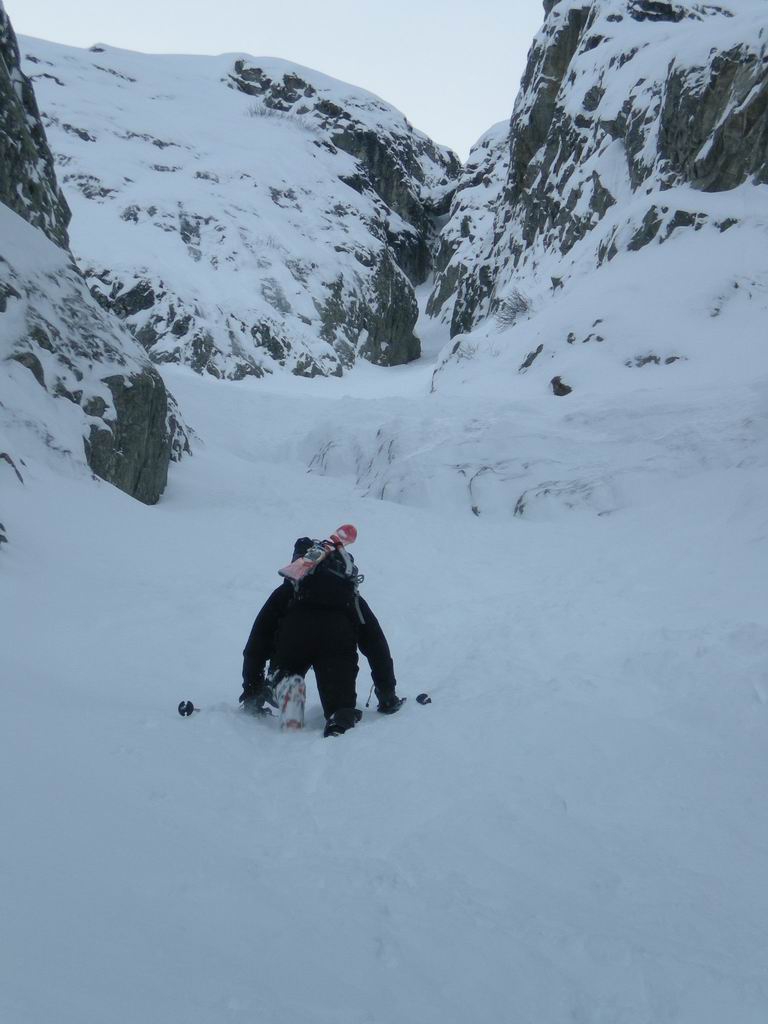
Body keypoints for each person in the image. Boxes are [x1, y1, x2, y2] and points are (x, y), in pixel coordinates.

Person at [239, 536, 402, 736]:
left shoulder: (288, 591)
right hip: (337, 639)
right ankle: (339, 719)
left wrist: (252, 690)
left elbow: (259, 640)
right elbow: (376, 644)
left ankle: (288, 685)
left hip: (294, 636)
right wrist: (387, 693)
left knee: (287, 667)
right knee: (340, 703)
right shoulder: (348, 593)